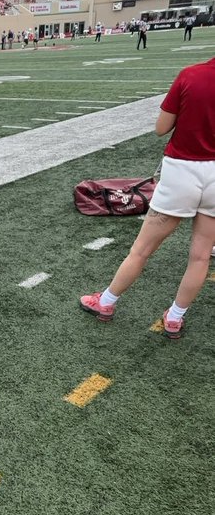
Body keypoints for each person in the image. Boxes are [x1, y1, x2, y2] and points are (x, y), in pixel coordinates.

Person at [80, 55, 215, 337]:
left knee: (141, 250)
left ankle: (105, 302)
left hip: (182, 170)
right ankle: (175, 317)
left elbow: (161, 128)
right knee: (201, 257)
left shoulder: (191, 75)